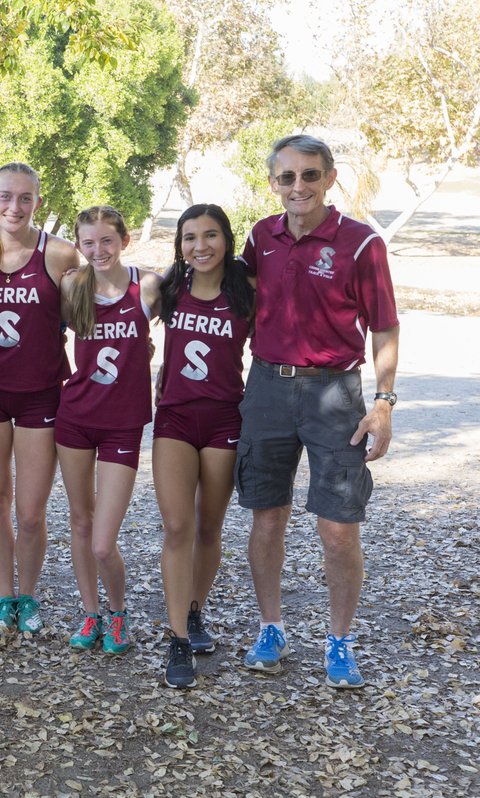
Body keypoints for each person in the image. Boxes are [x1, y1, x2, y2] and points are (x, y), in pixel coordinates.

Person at [237, 134, 399, 688]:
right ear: (273, 183)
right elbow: (239, 299)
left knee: (338, 528)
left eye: (310, 175)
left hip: (336, 394)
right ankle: (271, 628)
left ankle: (339, 641)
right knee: (266, 516)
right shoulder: (261, 236)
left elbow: (384, 325)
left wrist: (383, 403)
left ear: (331, 178)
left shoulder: (360, 244)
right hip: (267, 388)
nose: (298, 186)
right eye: (287, 177)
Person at [0, 162, 80, 635]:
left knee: (30, 510)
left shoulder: (60, 255)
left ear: (37, 202)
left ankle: (28, 596)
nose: (15, 206)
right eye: (5, 197)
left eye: (25, 198)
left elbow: (91, 316)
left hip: (41, 394)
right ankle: (4, 594)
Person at [152, 204, 253, 688]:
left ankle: (194, 611)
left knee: (208, 526)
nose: (201, 246)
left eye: (211, 235)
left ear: (227, 240)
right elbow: (110, 299)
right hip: (174, 416)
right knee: (176, 526)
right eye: (190, 237)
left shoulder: (246, 291)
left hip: (223, 419)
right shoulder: (171, 286)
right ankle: (176, 640)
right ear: (181, 244)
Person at [58, 206, 161, 655]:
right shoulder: (72, 285)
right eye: (88, 243)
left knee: (103, 542)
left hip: (123, 423)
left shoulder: (148, 285)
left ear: (124, 240)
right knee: (80, 523)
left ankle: (118, 613)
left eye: (106, 241)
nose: (97, 250)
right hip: (75, 417)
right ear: (78, 246)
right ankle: (91, 613)